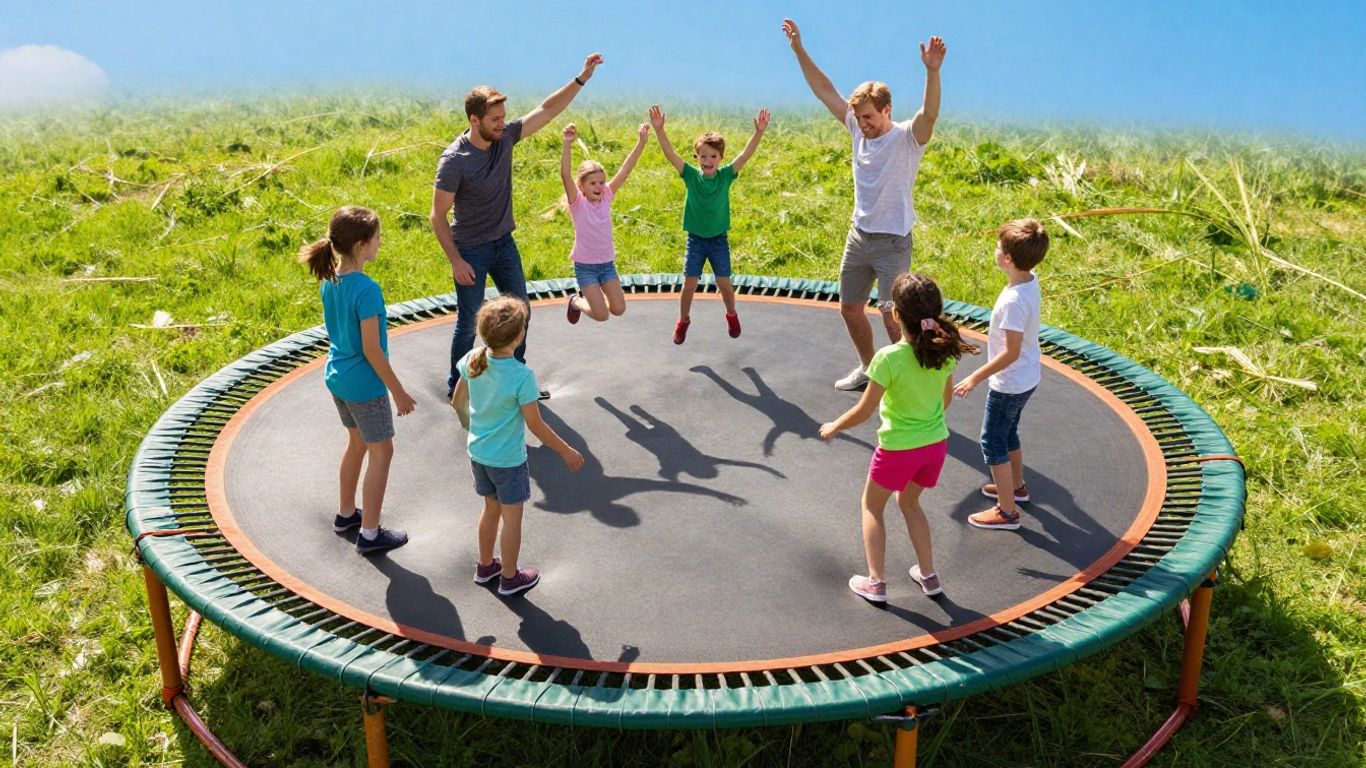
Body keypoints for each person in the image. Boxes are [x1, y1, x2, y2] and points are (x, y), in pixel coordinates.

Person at [782, 18, 946, 390]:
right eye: (859, 117)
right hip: (859, 237)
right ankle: (870, 370)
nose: (863, 124)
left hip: (892, 243)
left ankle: (916, 383)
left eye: (869, 117)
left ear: (887, 110)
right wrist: (799, 50)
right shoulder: (857, 127)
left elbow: (930, 114)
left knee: (892, 318)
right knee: (850, 308)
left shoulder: (908, 138)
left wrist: (932, 73)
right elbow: (824, 90)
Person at [431, 53, 604, 398]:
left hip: (502, 244)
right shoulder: (455, 162)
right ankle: (457, 388)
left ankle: (516, 382)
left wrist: (582, 78)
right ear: (474, 119)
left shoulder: (505, 137)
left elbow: (548, 109)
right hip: (470, 250)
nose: (502, 123)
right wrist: (456, 260)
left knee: (521, 314)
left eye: (503, 118)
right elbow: (437, 216)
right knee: (468, 323)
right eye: (495, 119)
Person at [819, 273, 976, 603]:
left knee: (872, 507)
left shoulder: (889, 358)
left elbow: (864, 411)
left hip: (898, 449)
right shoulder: (943, 351)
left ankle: (876, 582)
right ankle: (929, 576)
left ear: (895, 315)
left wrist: (835, 425)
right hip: (935, 446)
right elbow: (944, 401)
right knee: (910, 502)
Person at [299, 206, 416, 555]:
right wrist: (399, 392)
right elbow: (372, 350)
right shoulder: (367, 289)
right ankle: (369, 533)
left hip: (337, 376)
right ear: (362, 245)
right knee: (383, 451)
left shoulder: (330, 279)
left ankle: (347, 514)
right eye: (378, 237)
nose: (381, 242)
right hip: (364, 385)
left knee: (357, 444)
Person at [451, 296, 585, 596]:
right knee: (512, 518)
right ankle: (510, 578)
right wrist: (566, 450)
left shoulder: (473, 358)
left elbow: (458, 401)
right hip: (508, 460)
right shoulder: (521, 376)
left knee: (490, 509)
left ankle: (486, 566)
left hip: (479, 453)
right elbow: (536, 425)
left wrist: (470, 428)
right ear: (519, 335)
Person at [953, 219, 1048, 531]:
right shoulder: (1029, 281)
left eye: (999, 248)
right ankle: (1016, 487)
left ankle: (1007, 512)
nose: (996, 251)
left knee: (992, 441)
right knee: (1008, 434)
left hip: (1010, 382)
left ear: (1007, 258)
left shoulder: (1013, 301)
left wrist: (974, 377)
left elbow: (1010, 351)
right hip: (1026, 378)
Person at [647, 104, 770, 344]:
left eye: (713, 156)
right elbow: (670, 154)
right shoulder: (691, 176)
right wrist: (659, 130)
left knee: (724, 283)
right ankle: (683, 320)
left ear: (720, 158)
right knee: (689, 283)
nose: (708, 160)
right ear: (697, 157)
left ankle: (731, 315)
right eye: (703, 156)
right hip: (696, 240)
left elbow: (745, 156)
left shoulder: (725, 176)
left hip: (718, 240)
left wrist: (759, 132)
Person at [561, 120, 649, 324]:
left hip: (607, 265)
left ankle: (593, 298)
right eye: (593, 183)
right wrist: (567, 143)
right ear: (581, 186)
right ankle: (575, 301)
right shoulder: (578, 203)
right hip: (586, 267)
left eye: (601, 182)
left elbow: (626, 169)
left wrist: (642, 141)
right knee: (601, 315)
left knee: (618, 309)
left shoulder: (607, 195)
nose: (599, 187)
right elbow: (565, 174)